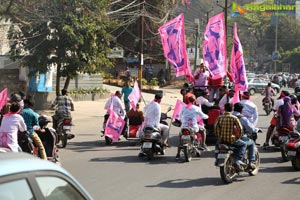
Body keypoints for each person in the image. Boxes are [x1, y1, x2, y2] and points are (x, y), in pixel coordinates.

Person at [214, 103, 247, 168]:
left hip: (222, 140)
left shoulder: (219, 117)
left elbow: (216, 128)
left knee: (217, 147)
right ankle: (238, 160)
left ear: (225, 109)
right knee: (244, 144)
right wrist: (238, 137)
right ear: (232, 109)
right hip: (232, 140)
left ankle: (217, 159)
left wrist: (219, 137)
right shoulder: (234, 118)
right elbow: (240, 129)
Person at [232, 103, 260, 169]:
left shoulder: (229, 116)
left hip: (226, 137)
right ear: (241, 110)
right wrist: (257, 130)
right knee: (251, 143)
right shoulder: (242, 118)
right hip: (238, 137)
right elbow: (250, 128)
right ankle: (251, 162)